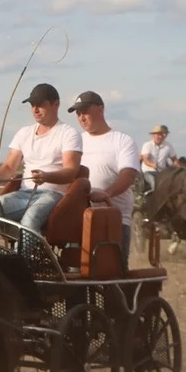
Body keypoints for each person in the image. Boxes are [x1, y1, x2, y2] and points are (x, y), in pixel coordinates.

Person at [0, 83, 83, 248]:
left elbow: (71, 172)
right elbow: (10, 167)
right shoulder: (24, 133)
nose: (35, 109)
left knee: (30, 219)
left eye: (40, 105)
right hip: (23, 194)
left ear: (56, 105)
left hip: (54, 195)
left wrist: (46, 176)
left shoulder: (68, 133)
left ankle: (20, 266)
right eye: (32, 105)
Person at [69, 90, 142, 269]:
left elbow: (128, 175)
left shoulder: (122, 141)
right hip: (80, 220)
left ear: (100, 109)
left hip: (113, 220)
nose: (81, 117)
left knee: (111, 273)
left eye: (85, 111)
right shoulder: (75, 142)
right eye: (78, 113)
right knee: (75, 272)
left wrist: (106, 193)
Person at [140, 124, 177, 193]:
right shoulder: (147, 145)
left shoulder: (168, 146)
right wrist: (153, 165)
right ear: (153, 135)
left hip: (163, 172)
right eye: (158, 135)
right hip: (149, 171)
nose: (160, 137)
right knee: (155, 184)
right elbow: (146, 160)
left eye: (161, 134)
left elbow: (174, 159)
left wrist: (177, 166)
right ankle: (150, 198)